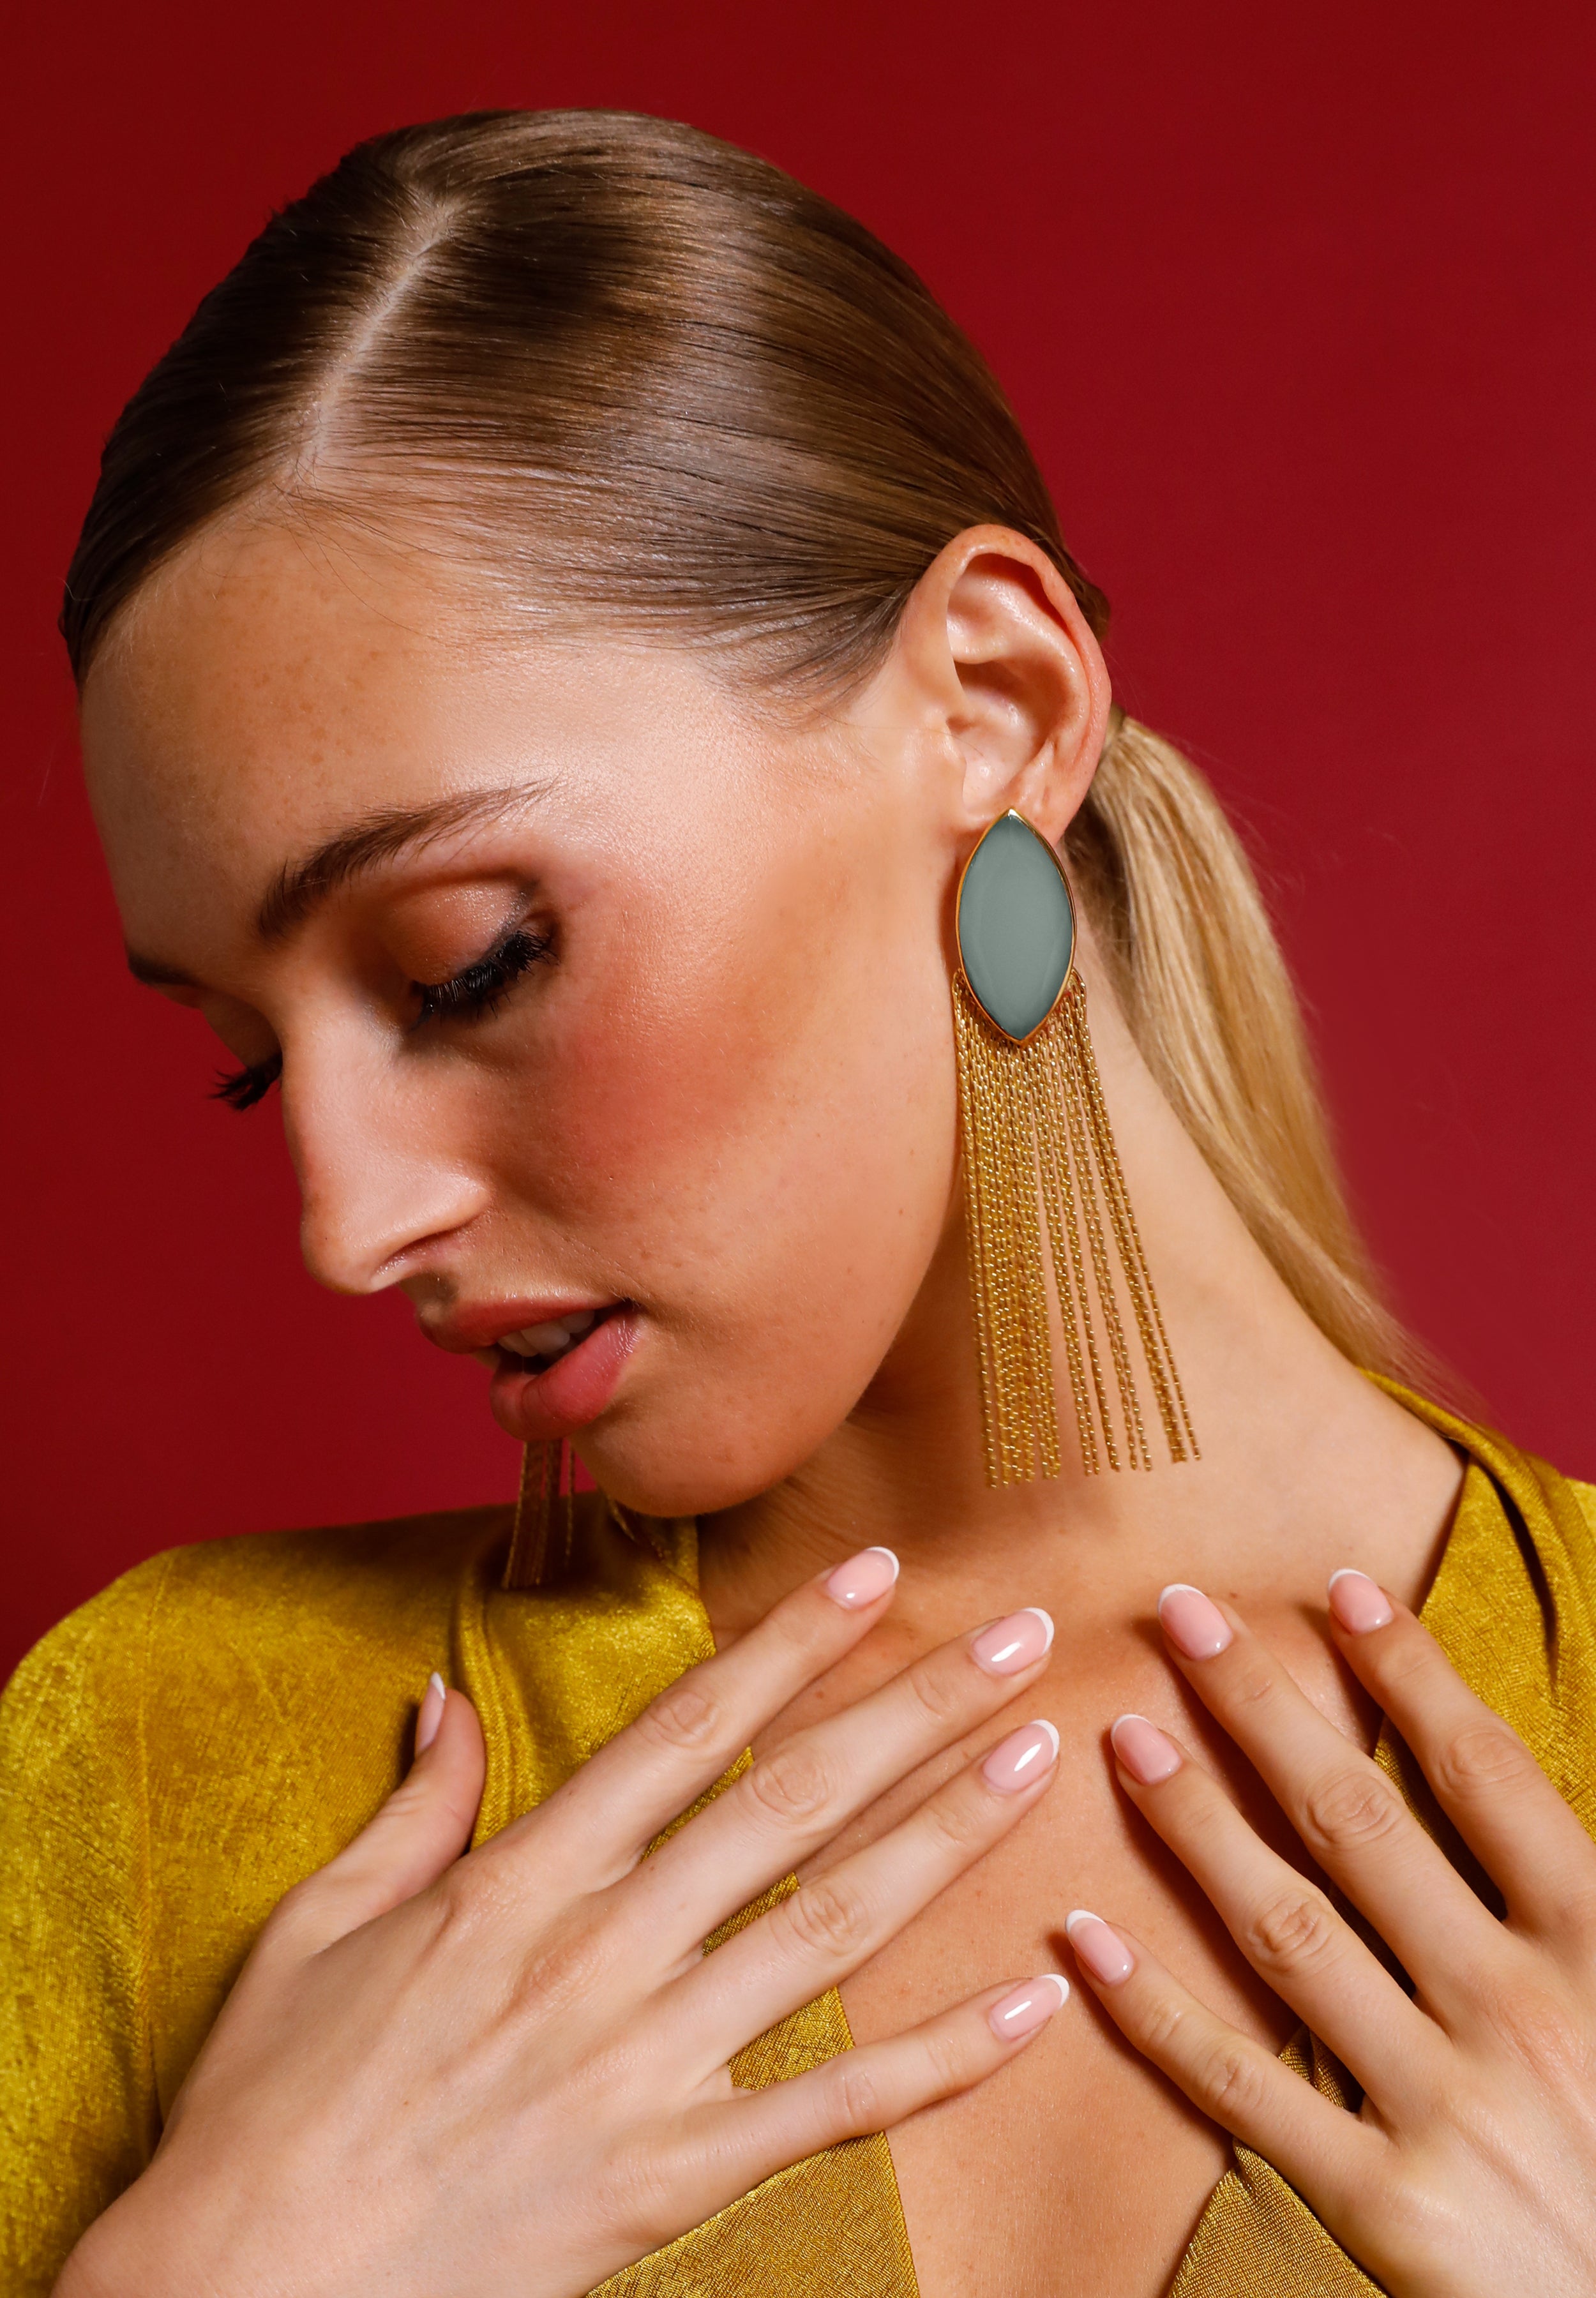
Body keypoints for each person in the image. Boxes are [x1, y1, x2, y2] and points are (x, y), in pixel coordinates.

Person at [4, 108, 1595, 2298]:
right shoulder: (163, 1761)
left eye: (469, 961)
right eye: (251, 1058)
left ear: (995, 707)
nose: (342, 1221)